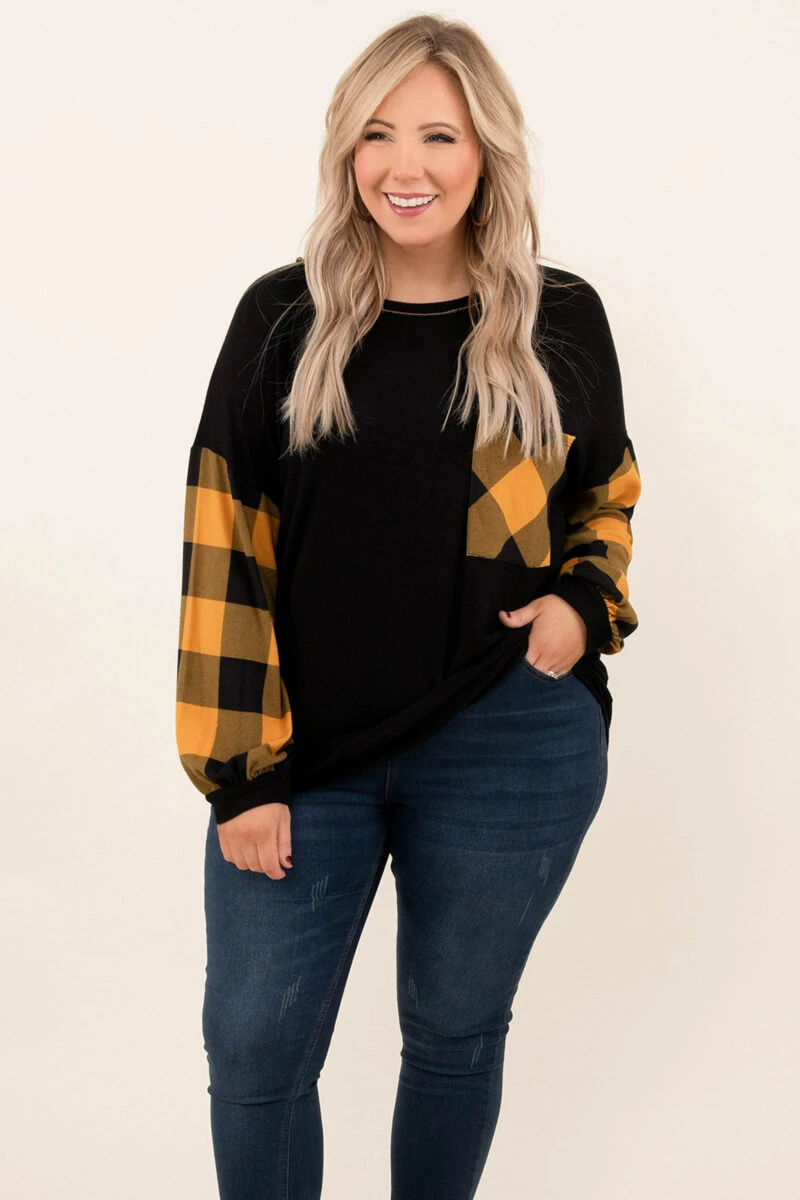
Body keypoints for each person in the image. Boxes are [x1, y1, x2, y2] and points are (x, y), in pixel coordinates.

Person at [175, 14, 642, 1200]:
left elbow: (605, 491)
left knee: (452, 1038)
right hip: (303, 755)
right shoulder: (284, 320)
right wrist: (242, 772)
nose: (404, 165)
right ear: (346, 149)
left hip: (506, 741)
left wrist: (580, 605)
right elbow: (224, 536)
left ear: (485, 152)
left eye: (438, 134)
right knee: (255, 1049)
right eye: (377, 133)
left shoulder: (555, 319)